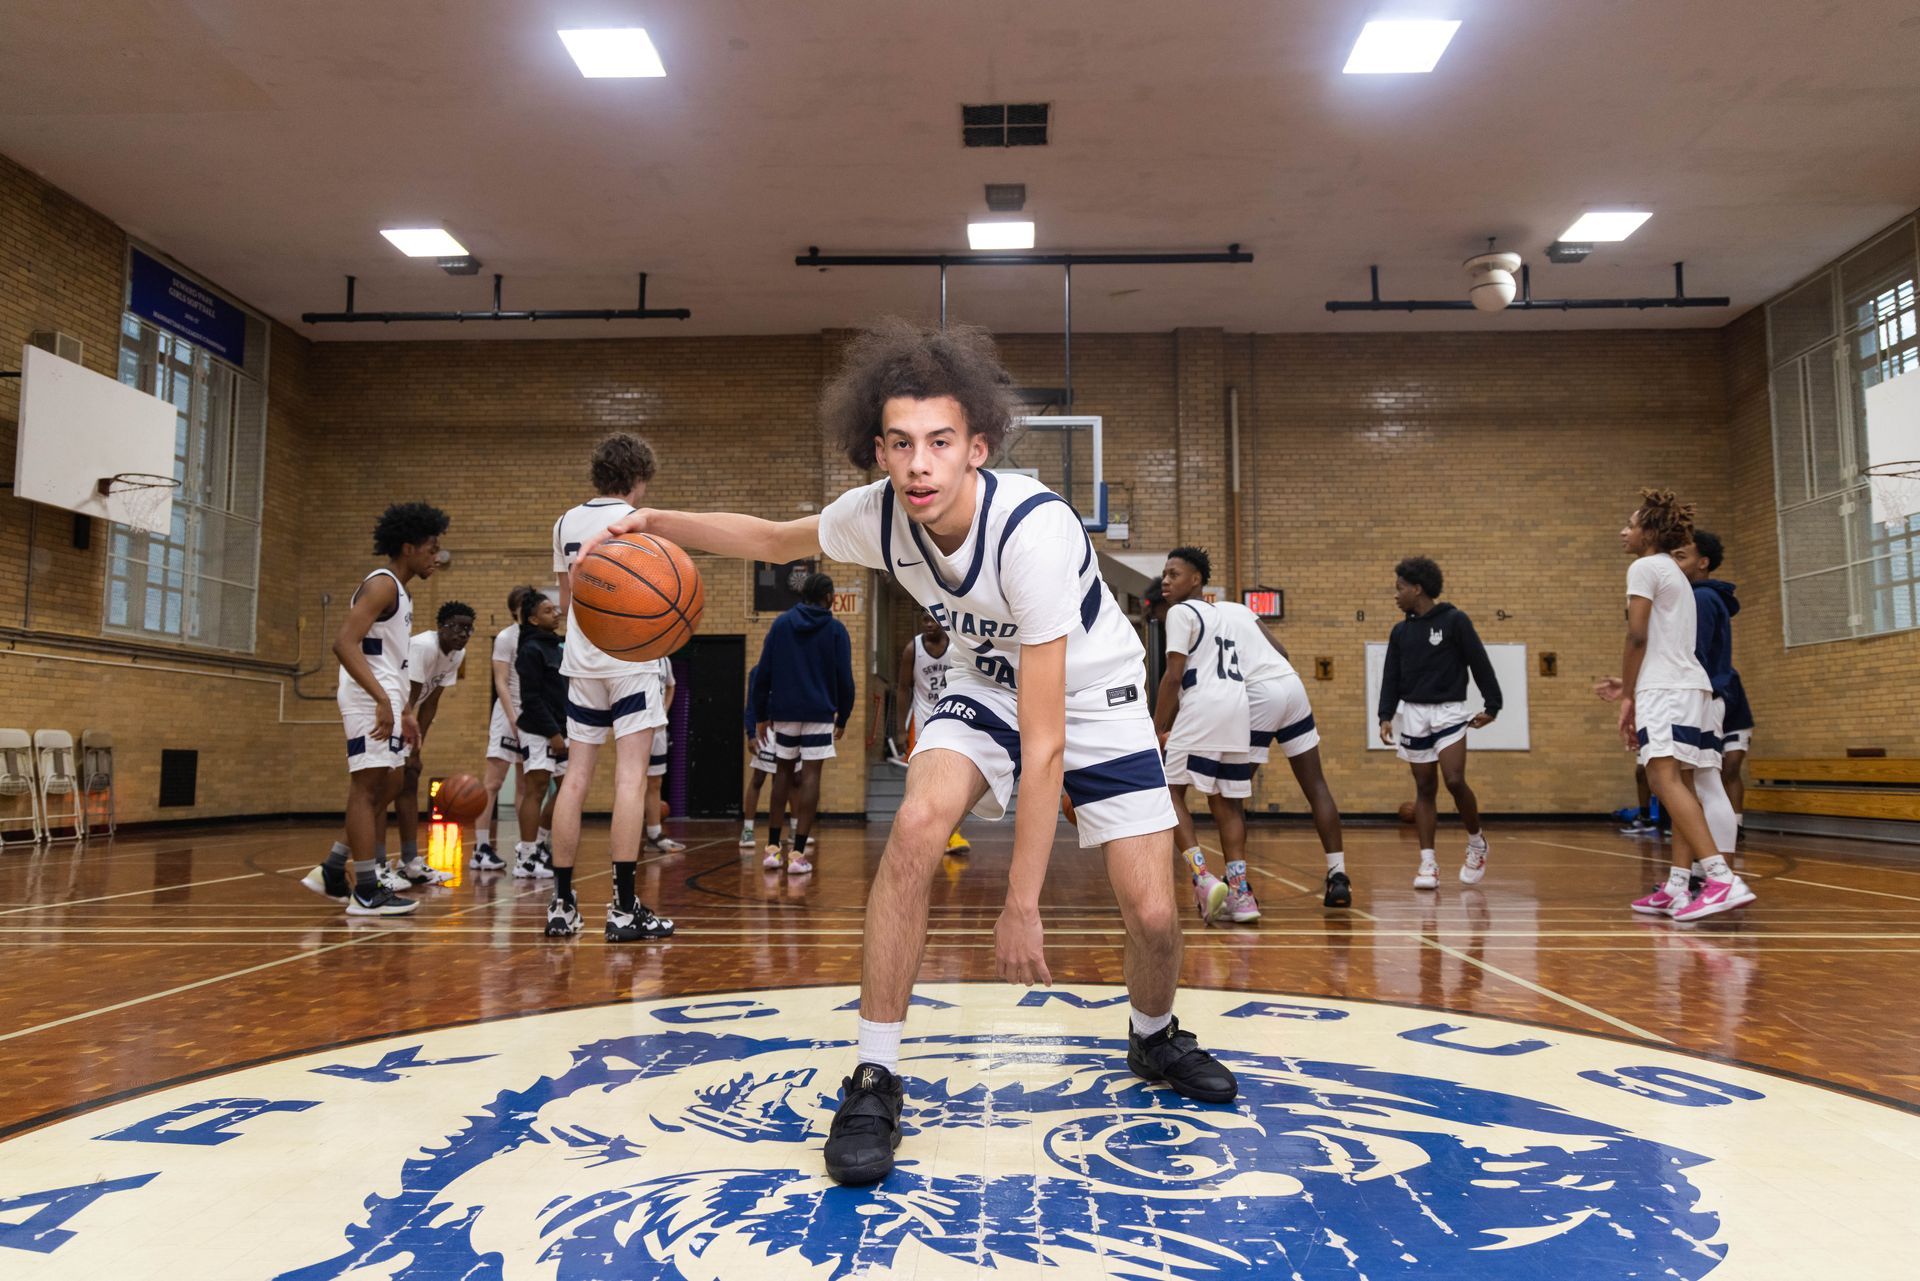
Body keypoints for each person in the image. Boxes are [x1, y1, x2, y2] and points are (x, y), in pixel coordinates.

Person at [581, 318, 1236, 1187]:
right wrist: (654, 519)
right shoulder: (877, 515)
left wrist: (1023, 903)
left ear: (978, 447)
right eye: (899, 444)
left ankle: (1153, 1039)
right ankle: (875, 1071)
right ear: (878, 449)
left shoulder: (1032, 532)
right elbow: (778, 539)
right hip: (980, 684)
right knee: (917, 828)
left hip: (1094, 694)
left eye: (939, 442)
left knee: (1152, 912)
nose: (919, 464)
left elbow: (1045, 746)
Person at [1595, 490, 1755, 921]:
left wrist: (1628, 694)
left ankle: (1721, 879)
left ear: (1650, 531)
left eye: (1631, 524)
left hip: (1667, 691)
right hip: (1691, 689)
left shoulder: (1645, 566)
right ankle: (1679, 886)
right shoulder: (1675, 573)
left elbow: (1637, 636)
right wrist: (1630, 685)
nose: (1623, 532)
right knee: (1679, 783)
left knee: (1663, 779)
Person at [545, 433, 675, 943]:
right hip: (631, 657)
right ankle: (623, 909)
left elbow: (566, 599)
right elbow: (661, 599)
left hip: (580, 659)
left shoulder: (563, 523)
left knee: (574, 779)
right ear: (639, 479)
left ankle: (562, 904)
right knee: (629, 780)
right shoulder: (640, 524)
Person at [301, 502, 449, 916]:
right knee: (367, 789)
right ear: (408, 547)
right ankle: (366, 890)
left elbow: (388, 659)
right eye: (431, 548)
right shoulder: (382, 585)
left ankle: (333, 867)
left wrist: (402, 709)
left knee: (392, 782)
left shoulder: (399, 591)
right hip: (369, 699)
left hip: (386, 700)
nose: (436, 557)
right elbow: (344, 642)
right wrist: (383, 701)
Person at [1214, 592, 1351, 910]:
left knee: (1228, 794)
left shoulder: (1192, 620)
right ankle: (1338, 875)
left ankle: (1238, 884)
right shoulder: (1237, 608)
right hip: (1291, 686)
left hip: (1260, 692)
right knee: (1316, 785)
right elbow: (1283, 651)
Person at [1376, 557, 1500, 889]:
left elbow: (1479, 662)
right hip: (1414, 713)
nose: (1396, 595)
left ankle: (1477, 843)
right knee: (1424, 789)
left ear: (1417, 589)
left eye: (1399, 588)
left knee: (1455, 779)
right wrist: (1384, 715)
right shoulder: (1400, 631)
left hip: (1449, 710)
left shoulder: (1455, 621)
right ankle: (1428, 864)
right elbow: (1391, 675)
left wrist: (1493, 705)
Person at [1149, 552, 1253, 925]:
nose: (1166, 580)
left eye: (1174, 574)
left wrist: (1153, 727)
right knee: (1226, 802)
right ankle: (1241, 895)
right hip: (1237, 709)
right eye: (1164, 574)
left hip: (1203, 705)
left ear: (1196, 579)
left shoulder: (1181, 613)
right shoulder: (1223, 615)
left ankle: (1203, 878)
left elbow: (1174, 676)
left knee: (1168, 791)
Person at [749, 571, 856, 876]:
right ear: (828, 598)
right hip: (819, 712)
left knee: (781, 773)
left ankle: (771, 850)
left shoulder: (781, 624)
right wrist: (843, 715)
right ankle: (797, 854)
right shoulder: (836, 630)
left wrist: (760, 714)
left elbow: (763, 671)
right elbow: (844, 679)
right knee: (810, 776)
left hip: (783, 711)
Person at [390, 599, 474, 885]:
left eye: (468, 630)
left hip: (406, 717)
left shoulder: (456, 655)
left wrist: (416, 748)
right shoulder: (424, 646)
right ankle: (376, 866)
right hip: (389, 711)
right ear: (441, 627)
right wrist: (407, 747)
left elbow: (430, 704)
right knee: (382, 785)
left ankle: (410, 861)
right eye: (457, 628)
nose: (463, 635)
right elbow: (409, 700)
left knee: (409, 781)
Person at [1692, 530, 1754, 837]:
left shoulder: (1701, 597)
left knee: (1707, 780)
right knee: (1703, 782)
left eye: (1680, 556)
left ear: (1702, 562)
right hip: (1705, 698)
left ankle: (1719, 873)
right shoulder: (1703, 596)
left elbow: (1696, 654)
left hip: (1704, 699)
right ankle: (1708, 872)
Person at [894, 611, 969, 855]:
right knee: (920, 780)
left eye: (932, 619)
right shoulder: (912, 649)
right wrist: (900, 730)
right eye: (924, 619)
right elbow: (903, 689)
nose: (928, 624)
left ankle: (951, 834)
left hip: (951, 719)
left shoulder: (956, 646)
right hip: (923, 722)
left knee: (951, 779)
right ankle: (916, 830)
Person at [474, 584, 533, 871]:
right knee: (493, 782)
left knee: (526, 785)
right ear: (514, 609)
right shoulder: (506, 638)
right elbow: (500, 682)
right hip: (508, 714)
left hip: (532, 716)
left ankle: (526, 849)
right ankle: (481, 847)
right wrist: (513, 719)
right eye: (525, 603)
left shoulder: (538, 638)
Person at [513, 591, 569, 888]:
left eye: (555, 609)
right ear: (534, 619)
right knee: (536, 787)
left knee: (567, 788)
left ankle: (542, 844)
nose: (556, 613)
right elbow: (531, 699)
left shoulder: (557, 646)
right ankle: (526, 856)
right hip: (538, 728)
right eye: (548, 610)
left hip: (561, 728)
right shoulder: (530, 650)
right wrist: (553, 733)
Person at [642, 657, 687, 854]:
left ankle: (654, 835)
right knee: (629, 782)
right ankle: (627, 836)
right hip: (636, 727)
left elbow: (671, 686)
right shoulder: (632, 655)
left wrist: (663, 712)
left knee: (655, 782)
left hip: (658, 729)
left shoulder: (664, 660)